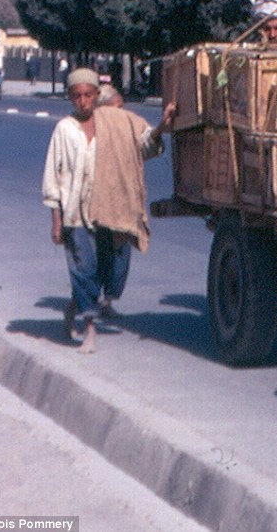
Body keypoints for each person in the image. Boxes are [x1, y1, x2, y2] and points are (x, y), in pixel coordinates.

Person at [42, 68, 176, 353]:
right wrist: (56, 220)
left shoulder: (112, 124)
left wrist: (163, 126)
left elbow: (143, 143)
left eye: (88, 95)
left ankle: (73, 309)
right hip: (75, 214)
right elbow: (53, 178)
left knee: (105, 270)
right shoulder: (64, 129)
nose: (82, 101)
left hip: (106, 209)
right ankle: (89, 330)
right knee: (83, 267)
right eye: (76, 96)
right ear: (70, 97)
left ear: (95, 95)